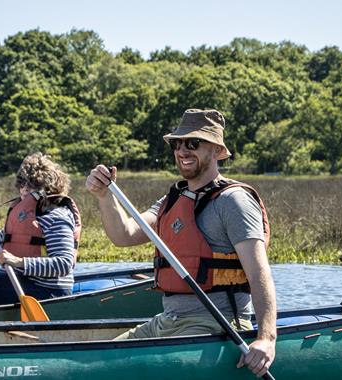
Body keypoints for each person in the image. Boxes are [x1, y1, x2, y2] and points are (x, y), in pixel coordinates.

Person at [86, 109, 277, 377]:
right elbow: (124, 235)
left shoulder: (234, 202)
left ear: (216, 150)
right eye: (178, 144)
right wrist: (105, 196)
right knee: (99, 366)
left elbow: (259, 274)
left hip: (215, 324)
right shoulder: (173, 199)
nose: (183, 151)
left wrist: (267, 339)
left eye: (194, 143)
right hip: (167, 321)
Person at [0, 153, 82, 308]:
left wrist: (19, 262)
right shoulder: (23, 213)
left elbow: (64, 264)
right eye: (22, 184)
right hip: (17, 281)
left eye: (31, 185)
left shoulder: (56, 216)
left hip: (47, 291)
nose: (24, 190)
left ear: (47, 188)